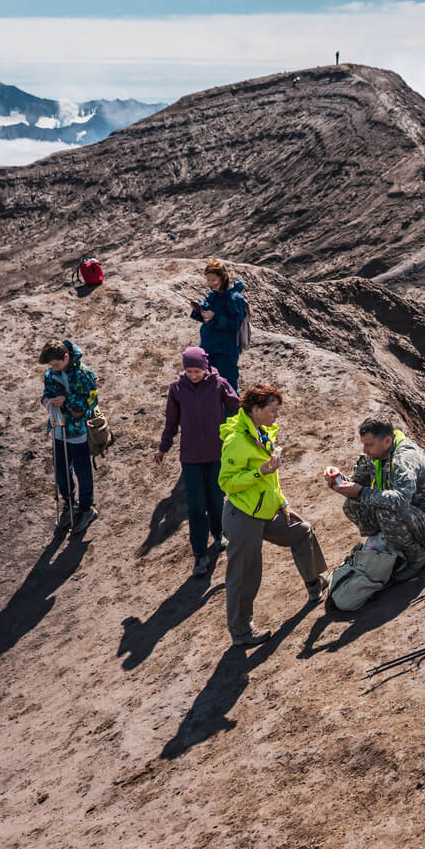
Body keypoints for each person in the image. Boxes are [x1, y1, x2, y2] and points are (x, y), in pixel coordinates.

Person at [219, 384, 327, 647]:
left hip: (266, 510)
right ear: (255, 410)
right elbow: (226, 482)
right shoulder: (237, 441)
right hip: (243, 517)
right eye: (272, 411)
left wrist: (283, 503)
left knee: (302, 532)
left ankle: (315, 584)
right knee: (245, 575)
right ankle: (241, 631)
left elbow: (271, 479)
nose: (276, 416)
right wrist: (260, 472)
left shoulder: (261, 431)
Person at [325, 417, 425, 582]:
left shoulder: (404, 458)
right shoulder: (373, 455)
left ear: (387, 441)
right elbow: (354, 485)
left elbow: (400, 500)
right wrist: (335, 479)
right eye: (364, 444)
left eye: (369, 445)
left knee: (387, 512)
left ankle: (418, 558)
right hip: (409, 515)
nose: (365, 450)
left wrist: (361, 492)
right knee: (352, 505)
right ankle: (394, 542)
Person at [155, 346, 241, 577]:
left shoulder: (219, 384)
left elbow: (237, 407)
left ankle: (219, 534)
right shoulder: (176, 389)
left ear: (205, 368)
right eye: (189, 371)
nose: (194, 375)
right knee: (195, 506)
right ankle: (200, 554)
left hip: (217, 454)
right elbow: (171, 422)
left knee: (216, 499)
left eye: (197, 371)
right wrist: (164, 447)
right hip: (191, 458)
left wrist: (251, 428)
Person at [39, 339, 99, 534]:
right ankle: (69, 502)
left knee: (83, 471)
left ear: (66, 357)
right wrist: (47, 401)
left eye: (56, 365)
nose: (54, 369)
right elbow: (45, 394)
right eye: (51, 366)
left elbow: (91, 401)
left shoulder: (84, 373)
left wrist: (67, 399)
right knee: (61, 470)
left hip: (78, 431)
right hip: (58, 429)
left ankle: (86, 508)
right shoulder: (50, 374)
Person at [188, 258, 250, 389]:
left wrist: (215, 317)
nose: (211, 284)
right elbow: (206, 318)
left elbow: (235, 325)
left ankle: (231, 411)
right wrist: (198, 311)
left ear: (223, 278)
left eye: (213, 280)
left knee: (227, 386)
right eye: (208, 280)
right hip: (208, 348)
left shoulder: (235, 299)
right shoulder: (212, 295)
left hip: (225, 351)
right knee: (209, 386)